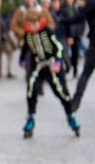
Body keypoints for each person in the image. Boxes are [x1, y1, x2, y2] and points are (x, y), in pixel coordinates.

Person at [20, 8, 80, 138]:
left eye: (34, 24)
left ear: (38, 21)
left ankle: (71, 116)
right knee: (31, 89)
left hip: (52, 64)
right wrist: (22, 59)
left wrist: (58, 62)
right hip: (38, 66)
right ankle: (31, 118)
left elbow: (58, 47)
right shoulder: (28, 33)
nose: (32, 27)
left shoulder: (47, 31)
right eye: (29, 24)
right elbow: (25, 47)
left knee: (61, 91)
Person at [61, 0, 95, 111]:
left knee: (86, 73)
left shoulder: (93, 2)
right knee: (86, 72)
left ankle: (75, 102)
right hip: (93, 42)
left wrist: (60, 21)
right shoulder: (90, 1)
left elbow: (79, 16)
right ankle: (75, 102)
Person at [60, 0, 84, 78]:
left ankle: (75, 68)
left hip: (77, 33)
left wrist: (80, 31)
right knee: (65, 53)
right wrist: (69, 36)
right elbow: (65, 23)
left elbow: (82, 21)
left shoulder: (77, 8)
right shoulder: (64, 9)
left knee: (75, 52)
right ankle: (69, 66)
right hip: (68, 34)